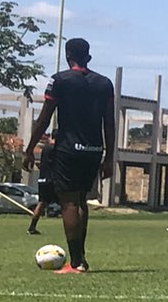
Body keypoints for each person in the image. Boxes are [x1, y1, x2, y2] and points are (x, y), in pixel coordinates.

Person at [23, 37, 115, 274]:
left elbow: (44, 118)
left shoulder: (60, 80)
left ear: (67, 56)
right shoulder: (104, 84)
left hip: (69, 149)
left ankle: (76, 263)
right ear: (89, 57)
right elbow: (109, 123)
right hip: (94, 150)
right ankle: (80, 258)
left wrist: (30, 149)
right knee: (81, 200)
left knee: (69, 202)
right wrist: (109, 158)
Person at [26, 132, 57, 235]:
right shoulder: (55, 148)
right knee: (68, 201)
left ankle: (32, 227)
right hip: (52, 180)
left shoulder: (45, 149)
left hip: (42, 179)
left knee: (41, 203)